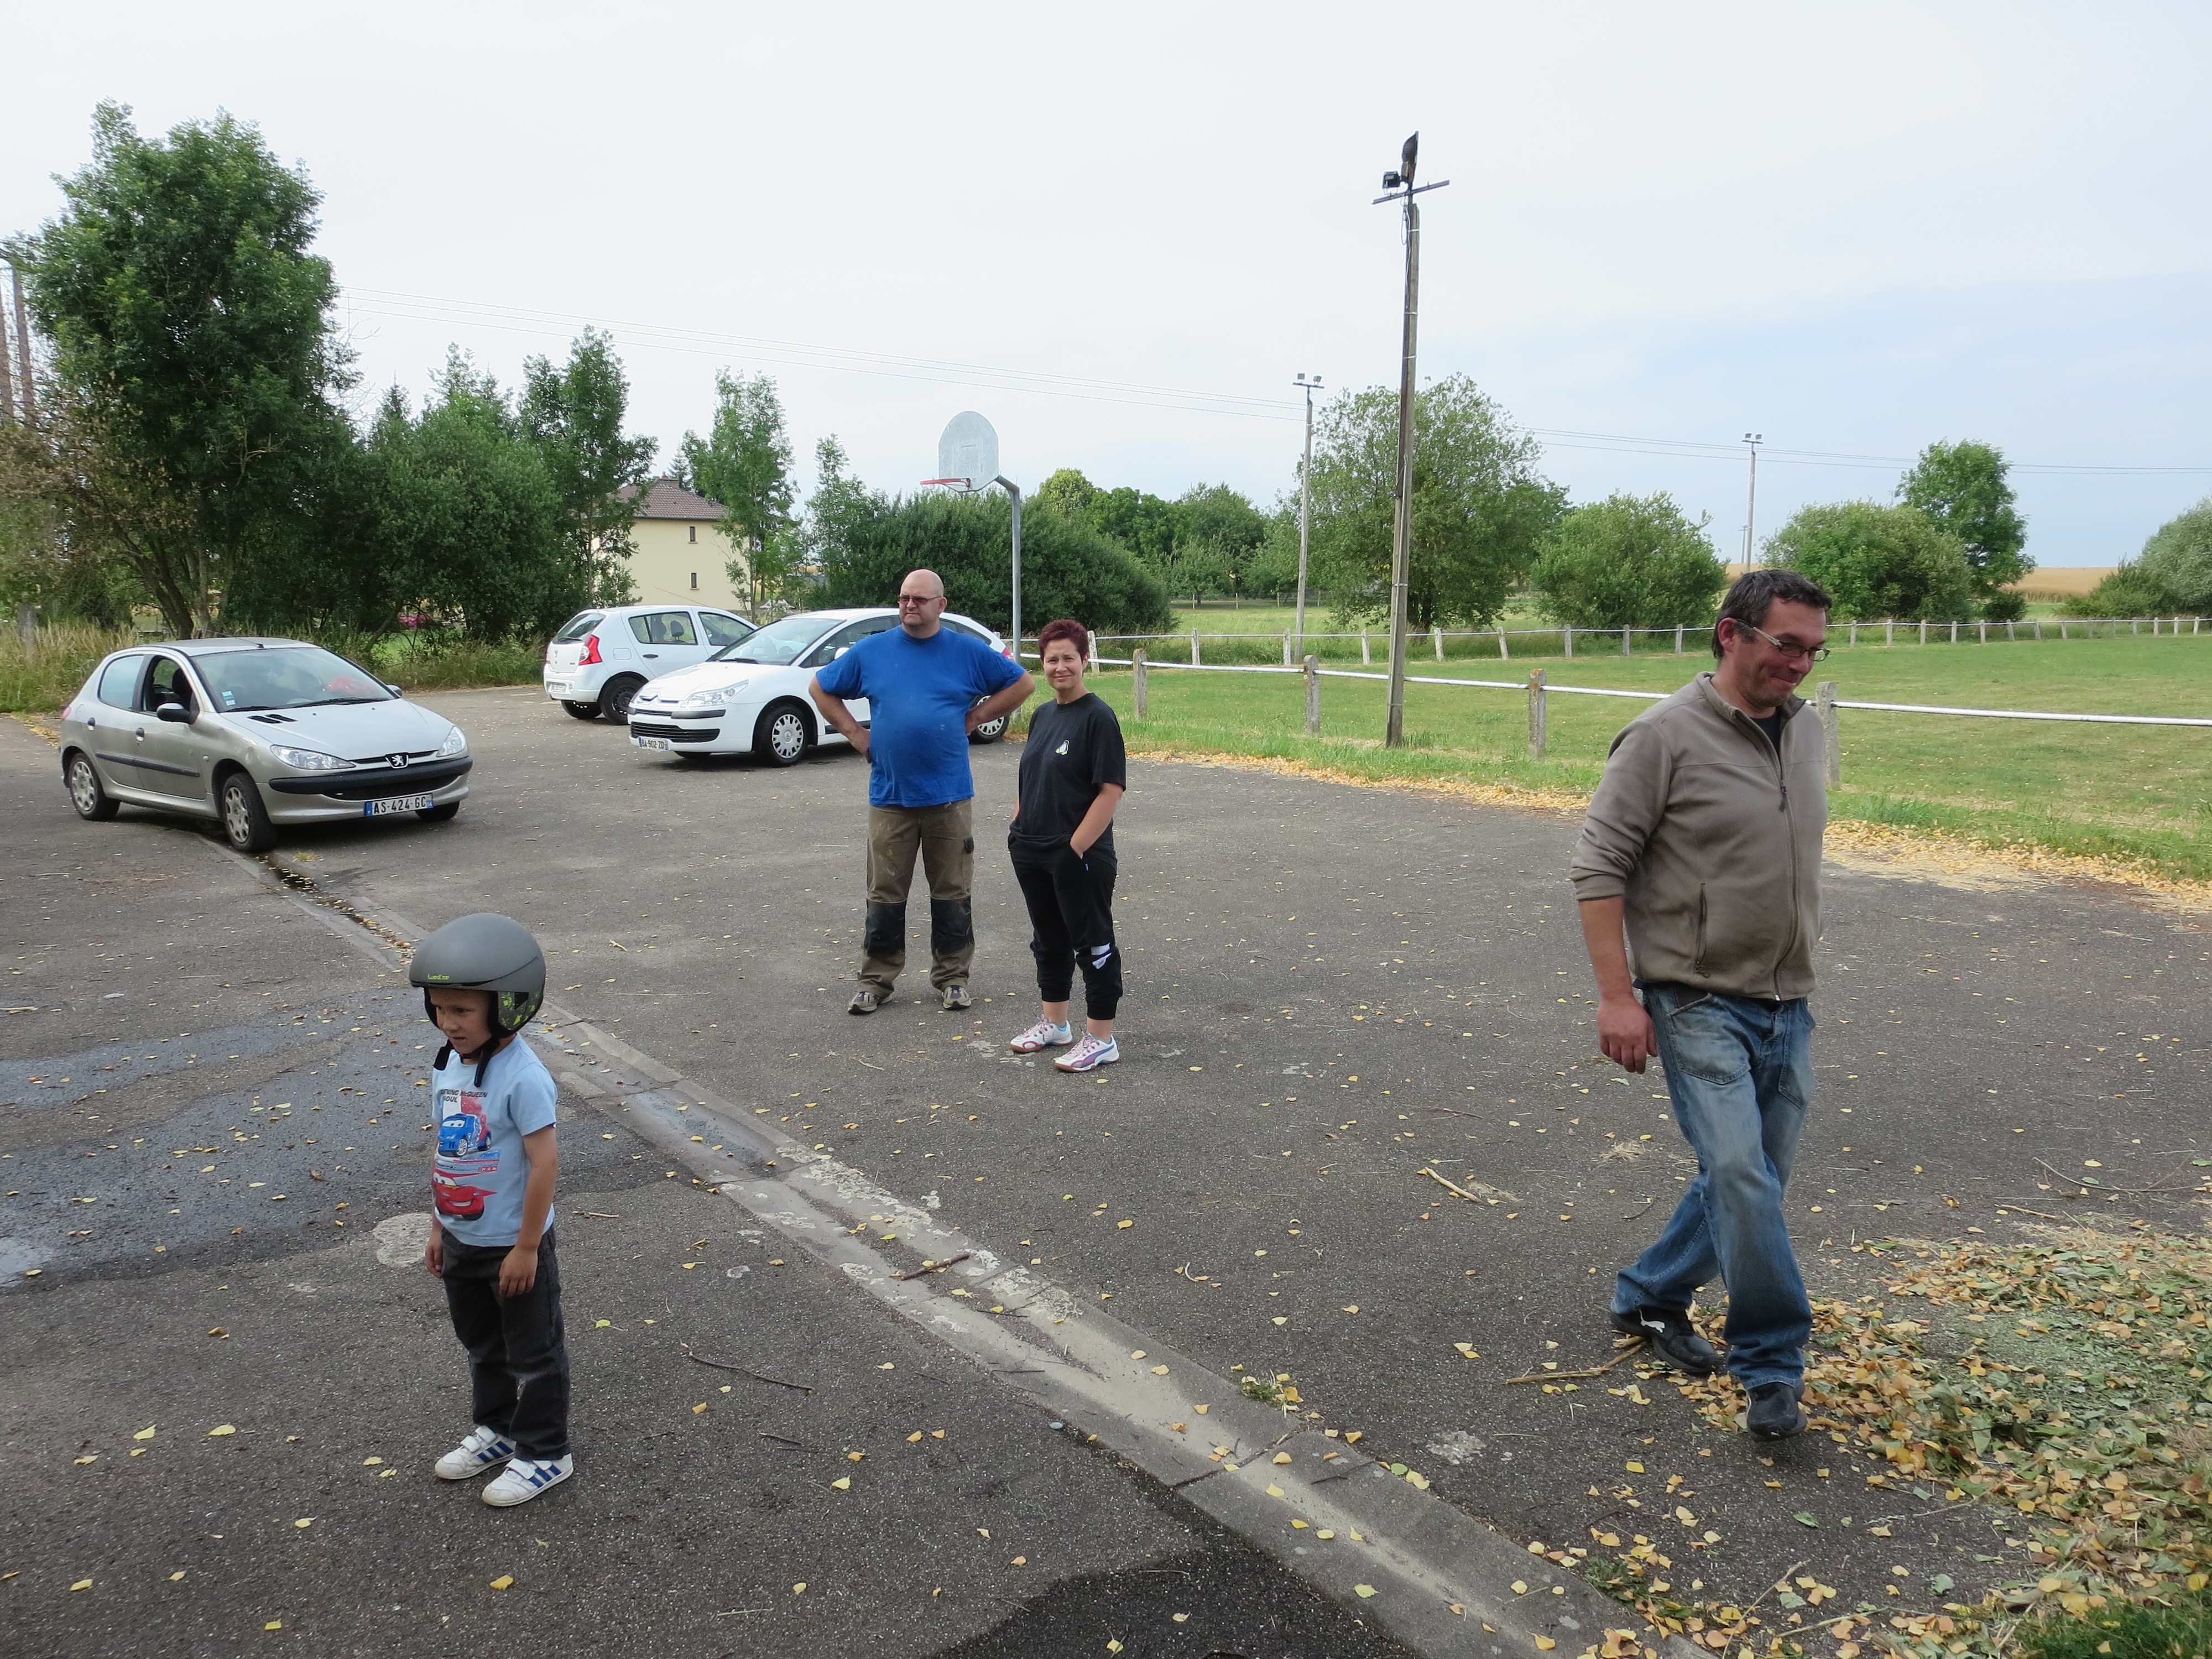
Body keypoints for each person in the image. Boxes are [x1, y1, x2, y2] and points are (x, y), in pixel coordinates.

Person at [1568, 568, 1832, 1441]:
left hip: (1788, 999)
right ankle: (1772, 1362)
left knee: (1750, 1180)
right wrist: (1617, 998)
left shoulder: (1807, 731)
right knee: (1741, 1176)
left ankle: (1651, 1293)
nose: (1799, 664)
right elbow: (1598, 868)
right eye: (1785, 645)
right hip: (1696, 1001)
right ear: (1730, 633)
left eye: (1814, 650)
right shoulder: (1662, 737)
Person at [811, 568, 1034, 1014]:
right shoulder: (872, 651)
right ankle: (875, 981)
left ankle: (952, 978)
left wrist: (977, 717)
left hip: (949, 798)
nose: (909, 606)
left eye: (919, 599)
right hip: (890, 797)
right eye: (903, 599)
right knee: (884, 895)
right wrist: (854, 733)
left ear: (941, 605)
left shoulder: (967, 652)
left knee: (952, 892)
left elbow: (1023, 683)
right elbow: (821, 687)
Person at [410, 912, 573, 1504]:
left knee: (534, 1353)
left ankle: (546, 1452)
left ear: (510, 1006)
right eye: (439, 1009)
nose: (447, 1022)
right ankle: (499, 1431)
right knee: (483, 1346)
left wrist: (527, 1247)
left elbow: (544, 1165)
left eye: (462, 1010)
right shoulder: (449, 1064)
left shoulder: (524, 1077)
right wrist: (438, 1225)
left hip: (512, 1244)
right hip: (462, 1238)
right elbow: (449, 1149)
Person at [1005, 618, 1126, 1073]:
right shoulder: (1042, 715)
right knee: (1048, 941)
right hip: (1032, 848)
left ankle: (1101, 1038)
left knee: (1093, 944)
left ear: (1085, 661)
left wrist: (1074, 848)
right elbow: (1030, 776)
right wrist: (1018, 826)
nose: (1060, 667)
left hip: (1078, 855)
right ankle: (1056, 1025)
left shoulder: (1098, 718)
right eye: (1052, 659)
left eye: (1069, 658)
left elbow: (1110, 791)